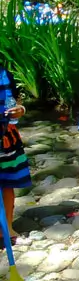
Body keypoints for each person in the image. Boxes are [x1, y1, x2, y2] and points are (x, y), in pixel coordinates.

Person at [0, 64, 30, 247]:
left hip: (6, 137)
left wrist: (20, 111)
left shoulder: (5, 74)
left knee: (6, 182)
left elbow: (15, 104)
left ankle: (7, 228)